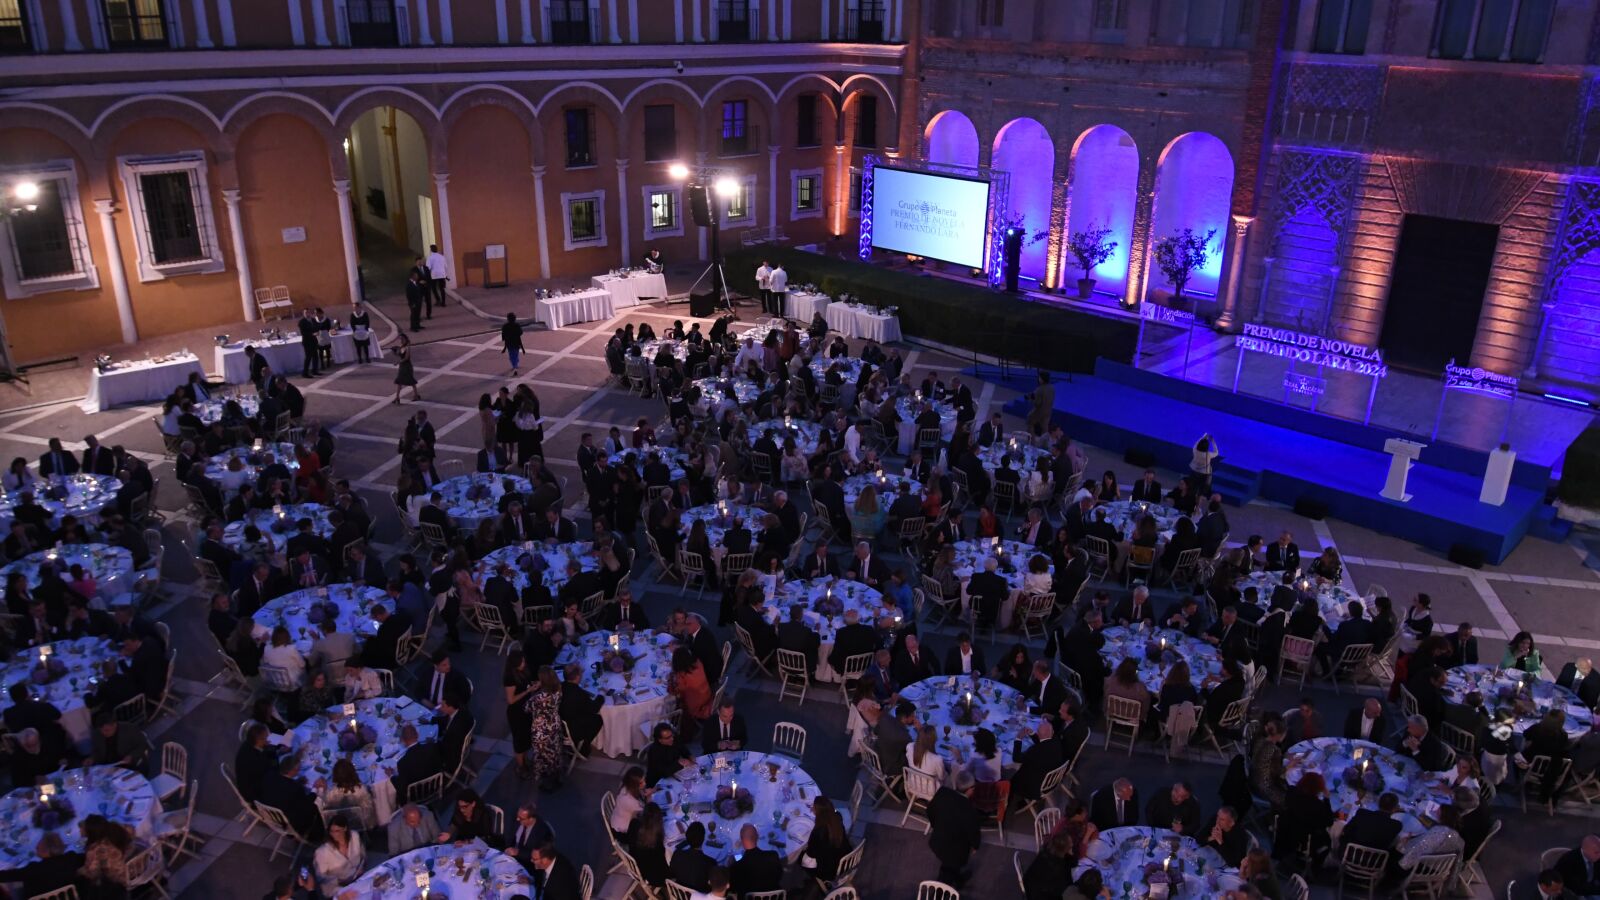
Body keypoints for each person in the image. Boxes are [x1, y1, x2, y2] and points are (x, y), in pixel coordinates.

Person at [927, 769, 982, 887]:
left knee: (949, 866)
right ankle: (940, 892)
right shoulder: (970, 810)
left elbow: (929, 810)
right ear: (970, 789)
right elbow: (973, 833)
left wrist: (937, 826)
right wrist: (975, 846)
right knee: (947, 874)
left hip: (937, 841)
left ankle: (958, 880)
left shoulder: (942, 793)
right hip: (955, 852)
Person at [800, 796, 851, 882]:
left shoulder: (818, 832)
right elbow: (835, 811)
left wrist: (804, 848)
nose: (812, 808)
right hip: (845, 861)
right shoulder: (837, 817)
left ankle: (809, 882)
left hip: (829, 871)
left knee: (799, 857)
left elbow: (811, 854)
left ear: (817, 811)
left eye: (814, 807)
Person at [312, 812, 365, 894]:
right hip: (337, 888)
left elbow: (363, 855)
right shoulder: (322, 852)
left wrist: (361, 868)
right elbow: (320, 876)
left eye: (337, 831)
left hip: (358, 879)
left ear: (345, 829)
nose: (334, 834)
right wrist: (339, 881)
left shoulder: (354, 836)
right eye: (331, 831)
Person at [729, 824, 783, 896]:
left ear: (741, 839)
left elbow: (733, 888)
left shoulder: (736, 867)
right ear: (757, 837)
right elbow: (780, 876)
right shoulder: (773, 856)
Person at [1024, 832, 1075, 900]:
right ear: (1065, 849)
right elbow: (1063, 889)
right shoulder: (1058, 867)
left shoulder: (1046, 851)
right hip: (1040, 895)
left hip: (1031, 888)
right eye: (1070, 845)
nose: (1072, 844)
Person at [668, 821, 716, 892]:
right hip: (699, 895)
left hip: (680, 893)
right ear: (703, 839)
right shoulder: (710, 863)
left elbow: (672, 873)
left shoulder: (677, 854)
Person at [391, 333, 419, 404]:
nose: (401, 340)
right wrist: (394, 351)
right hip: (402, 366)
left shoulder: (407, 347)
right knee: (399, 381)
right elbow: (398, 354)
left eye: (402, 339)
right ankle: (397, 397)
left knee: (410, 380)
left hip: (407, 366)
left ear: (405, 339)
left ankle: (415, 395)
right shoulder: (401, 346)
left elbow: (407, 357)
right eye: (400, 339)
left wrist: (398, 362)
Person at [425, 242, 449, 308]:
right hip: (442, 275)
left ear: (431, 250)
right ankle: (443, 302)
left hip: (434, 275)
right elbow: (446, 266)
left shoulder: (430, 257)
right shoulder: (442, 257)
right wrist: (446, 274)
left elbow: (428, 267)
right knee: (442, 289)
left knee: (434, 288)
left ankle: (438, 300)